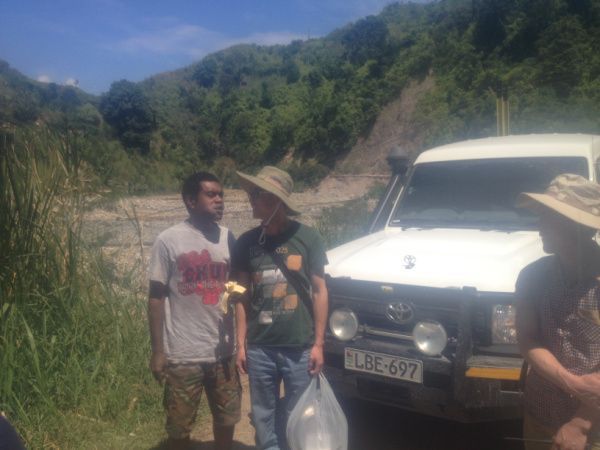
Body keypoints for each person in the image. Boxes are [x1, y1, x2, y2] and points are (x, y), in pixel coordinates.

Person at [231, 166, 328, 450]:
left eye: (256, 194)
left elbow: (320, 291)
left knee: (301, 414)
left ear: (275, 201)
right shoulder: (246, 242)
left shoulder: (308, 238)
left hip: (299, 347)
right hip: (260, 348)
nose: (250, 199)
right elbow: (241, 295)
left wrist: (319, 344)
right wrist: (241, 344)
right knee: (263, 415)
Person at [147, 172, 242, 450]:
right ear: (190, 201)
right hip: (183, 354)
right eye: (211, 194)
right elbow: (155, 297)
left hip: (223, 351)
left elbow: (237, 289)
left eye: (221, 194)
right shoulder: (168, 240)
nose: (219, 200)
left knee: (226, 418)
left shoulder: (228, 237)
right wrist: (158, 351)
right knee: (179, 427)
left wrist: (241, 341)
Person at [515, 173, 600, 450]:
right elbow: (528, 339)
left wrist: (580, 424)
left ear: (577, 225)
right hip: (539, 414)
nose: (538, 225)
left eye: (547, 216)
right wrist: (572, 383)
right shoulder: (532, 276)